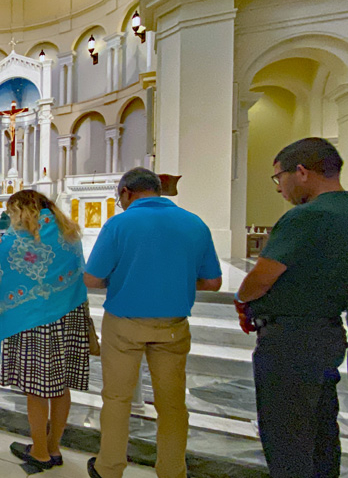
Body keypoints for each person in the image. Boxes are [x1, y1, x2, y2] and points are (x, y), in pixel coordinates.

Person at [84, 168, 222, 478]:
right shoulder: (194, 223)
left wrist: (124, 279)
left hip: (125, 324)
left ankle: (109, 468)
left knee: (117, 399)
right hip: (173, 325)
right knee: (172, 405)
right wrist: (179, 281)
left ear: (126, 193)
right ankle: (172, 470)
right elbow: (213, 282)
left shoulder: (119, 224)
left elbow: (92, 278)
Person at [235, 138, 348, 478]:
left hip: (290, 339)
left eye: (279, 178)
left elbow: (262, 277)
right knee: (322, 429)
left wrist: (242, 299)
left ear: (301, 172)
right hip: (328, 333)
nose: (279, 188)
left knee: (286, 436)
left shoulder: (306, 216)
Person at [0, 190, 89, 470]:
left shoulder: (14, 241)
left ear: (21, 212)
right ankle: (54, 446)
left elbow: (3, 282)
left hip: (31, 322)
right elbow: (77, 274)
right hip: (69, 318)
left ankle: (40, 451)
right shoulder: (70, 234)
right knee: (61, 386)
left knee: (37, 390)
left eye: (11, 213)